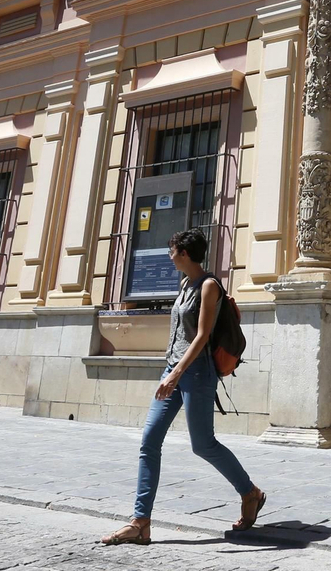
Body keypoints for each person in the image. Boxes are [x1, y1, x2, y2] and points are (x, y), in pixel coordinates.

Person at [100, 229, 265, 546]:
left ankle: (250, 492)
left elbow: (202, 335)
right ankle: (140, 523)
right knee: (150, 439)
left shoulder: (208, 286)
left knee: (202, 444)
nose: (169, 254)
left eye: (172, 249)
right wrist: (171, 370)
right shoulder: (185, 283)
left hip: (196, 372)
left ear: (185, 254)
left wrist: (176, 373)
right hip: (173, 369)